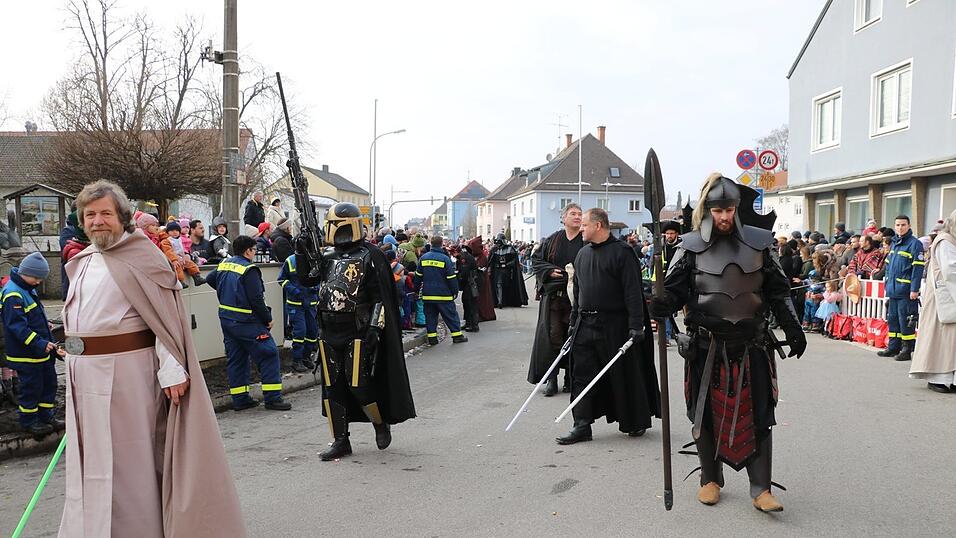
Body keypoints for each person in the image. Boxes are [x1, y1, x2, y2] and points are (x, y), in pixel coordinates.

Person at [60, 180, 245, 536]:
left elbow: (164, 318)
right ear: (82, 221)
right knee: (91, 461)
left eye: (106, 213)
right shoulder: (82, 261)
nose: (98, 221)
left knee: (131, 462)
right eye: (90, 214)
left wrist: (173, 367)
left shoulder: (142, 256)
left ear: (122, 217)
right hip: (83, 379)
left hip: (128, 376)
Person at [650, 174, 805, 513]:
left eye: (729, 209)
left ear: (737, 209)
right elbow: (676, 291)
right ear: (707, 209)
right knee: (703, 414)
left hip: (753, 344)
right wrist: (662, 303)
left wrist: (794, 327)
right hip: (706, 347)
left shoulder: (760, 244)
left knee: (761, 413)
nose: (723, 216)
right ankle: (710, 479)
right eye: (717, 209)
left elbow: (777, 290)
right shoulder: (690, 246)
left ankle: (761, 488)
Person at [295, 202, 415, 460]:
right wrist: (302, 252)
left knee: (359, 384)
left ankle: (379, 422)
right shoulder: (327, 257)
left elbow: (380, 296)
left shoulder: (371, 255)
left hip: (357, 329)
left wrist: (374, 327)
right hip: (328, 330)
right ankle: (340, 440)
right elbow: (307, 279)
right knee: (333, 387)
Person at [556, 207, 660, 445]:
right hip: (585, 324)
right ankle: (581, 424)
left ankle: (634, 421)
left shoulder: (622, 253)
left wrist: (636, 326)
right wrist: (573, 323)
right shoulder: (583, 254)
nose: (580, 229)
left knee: (623, 374)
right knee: (581, 375)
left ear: (598, 226)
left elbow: (632, 292)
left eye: (584, 225)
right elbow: (578, 292)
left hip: (615, 324)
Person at [206, 235, 292, 412]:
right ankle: (273, 398)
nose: (254, 253)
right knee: (268, 353)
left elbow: (210, 279)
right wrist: (267, 319)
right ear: (248, 251)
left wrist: (228, 292)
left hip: (227, 319)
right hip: (247, 321)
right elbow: (256, 299)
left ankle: (240, 399)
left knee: (237, 358)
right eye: (254, 250)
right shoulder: (249, 269)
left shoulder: (224, 264)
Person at [1, 252, 64, 435]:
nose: (38, 282)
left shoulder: (27, 288)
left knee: (48, 384)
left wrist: (46, 324)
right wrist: (39, 342)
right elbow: (17, 327)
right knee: (31, 389)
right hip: (26, 354)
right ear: (24, 272)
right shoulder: (13, 294)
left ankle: (46, 416)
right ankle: (29, 422)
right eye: (35, 277)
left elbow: (33, 316)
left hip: (39, 353)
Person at [528, 203, 583, 397]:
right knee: (552, 337)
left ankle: (570, 377)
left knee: (574, 337)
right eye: (573, 214)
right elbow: (536, 260)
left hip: (578, 300)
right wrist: (549, 271)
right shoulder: (553, 240)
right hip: (554, 300)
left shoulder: (586, 240)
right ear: (564, 218)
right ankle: (551, 378)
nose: (577, 217)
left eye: (579, 214)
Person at [910, 209, 956, 392]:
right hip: (942, 300)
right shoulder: (945, 241)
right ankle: (937, 377)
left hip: (949, 297)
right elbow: (950, 270)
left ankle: (950, 377)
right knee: (941, 339)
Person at [877, 215, 925, 362]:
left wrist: (914, 289)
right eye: (897, 225)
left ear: (909, 226)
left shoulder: (915, 244)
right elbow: (888, 266)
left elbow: (917, 269)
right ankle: (893, 347)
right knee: (893, 320)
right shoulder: (895, 243)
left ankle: (906, 349)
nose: (900, 227)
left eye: (903, 225)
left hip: (905, 290)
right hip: (893, 290)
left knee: (905, 320)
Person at [415, 235, 468, 345]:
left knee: (430, 317)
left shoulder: (423, 258)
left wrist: (416, 290)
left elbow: (418, 276)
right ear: (441, 244)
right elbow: (451, 278)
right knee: (450, 315)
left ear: (431, 244)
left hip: (428, 295)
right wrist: (455, 291)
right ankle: (457, 335)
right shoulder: (445, 259)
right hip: (443, 295)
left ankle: (432, 338)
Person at [278, 254, 318, 373]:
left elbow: (321, 277)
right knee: (300, 332)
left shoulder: (315, 259)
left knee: (312, 332)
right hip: (295, 303)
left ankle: (306, 356)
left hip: (311, 303)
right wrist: (295, 292)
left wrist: (316, 288)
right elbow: (282, 279)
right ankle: (297, 359)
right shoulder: (290, 260)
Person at [489, 233, 528, 307]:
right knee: (498, 284)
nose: (499, 244)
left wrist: (508, 264)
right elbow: (490, 261)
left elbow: (514, 261)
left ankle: (506, 301)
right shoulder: (494, 249)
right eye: (498, 242)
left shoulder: (510, 249)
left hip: (507, 271)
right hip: (497, 271)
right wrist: (490, 269)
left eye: (500, 241)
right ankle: (499, 302)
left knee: (507, 286)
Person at [469, 236, 497, 322]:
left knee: (482, 299)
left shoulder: (482, 257)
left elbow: (481, 268)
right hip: (475, 281)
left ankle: (483, 315)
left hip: (481, 281)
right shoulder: (476, 256)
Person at [457, 241, 481, 332]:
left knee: (470, 304)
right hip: (471, 283)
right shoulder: (468, 257)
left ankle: (473, 325)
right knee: (467, 304)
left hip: (469, 284)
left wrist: (460, 283)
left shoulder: (464, 258)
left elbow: (464, 272)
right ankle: (469, 323)